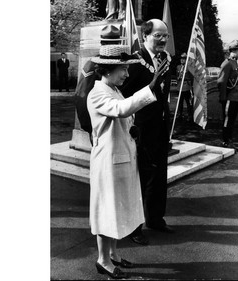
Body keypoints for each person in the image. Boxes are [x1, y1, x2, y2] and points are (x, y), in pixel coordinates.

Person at [87, 39, 168, 279]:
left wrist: (131, 129)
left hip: (120, 159)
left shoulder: (113, 89)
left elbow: (123, 116)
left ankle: (112, 254)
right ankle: (102, 261)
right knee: (106, 210)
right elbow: (122, 109)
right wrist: (151, 86)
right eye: (123, 69)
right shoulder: (97, 93)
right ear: (107, 70)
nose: (127, 73)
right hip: (107, 162)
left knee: (116, 210)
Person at [120, 19, 174, 246]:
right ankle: (134, 227)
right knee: (139, 179)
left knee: (159, 175)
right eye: (158, 36)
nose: (163, 40)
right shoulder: (134, 61)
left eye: (166, 36)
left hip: (159, 127)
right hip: (139, 129)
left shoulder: (165, 60)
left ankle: (155, 218)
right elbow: (122, 95)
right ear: (145, 36)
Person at [74, 24, 126, 144]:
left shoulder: (119, 63)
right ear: (102, 44)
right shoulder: (93, 64)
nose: (113, 47)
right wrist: (90, 127)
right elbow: (82, 95)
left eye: (116, 44)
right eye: (109, 44)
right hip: (99, 125)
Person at [217, 40, 238, 149]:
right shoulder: (227, 63)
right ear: (231, 51)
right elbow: (221, 82)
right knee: (227, 119)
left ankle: (230, 139)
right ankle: (225, 141)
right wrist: (223, 97)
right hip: (229, 97)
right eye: (236, 50)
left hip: (236, 97)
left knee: (232, 119)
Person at [176, 52, 193, 122]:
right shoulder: (178, 67)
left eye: (183, 59)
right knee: (180, 103)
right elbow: (177, 76)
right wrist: (178, 77)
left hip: (187, 87)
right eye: (181, 59)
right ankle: (180, 115)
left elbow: (191, 77)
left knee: (188, 103)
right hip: (180, 87)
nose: (182, 60)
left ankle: (190, 116)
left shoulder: (189, 67)